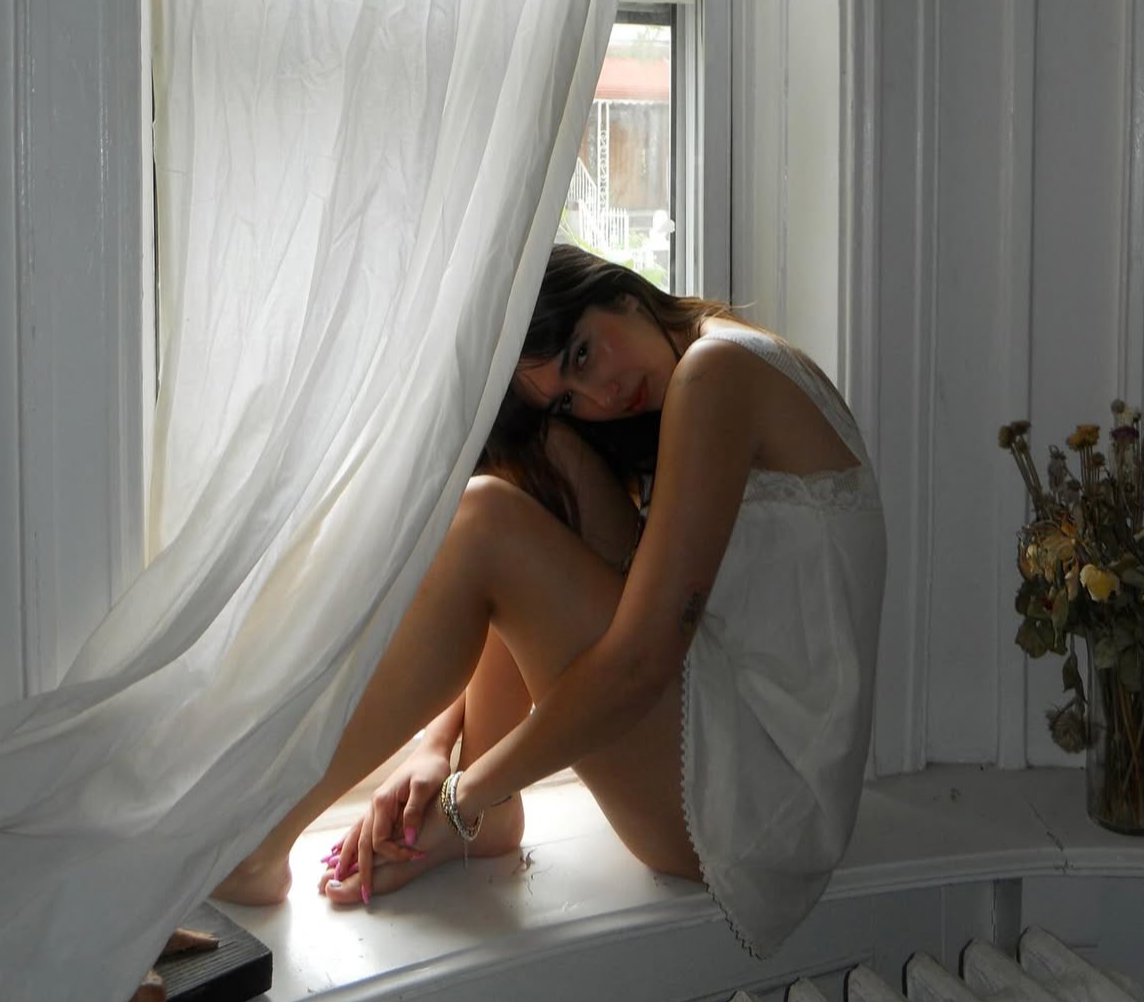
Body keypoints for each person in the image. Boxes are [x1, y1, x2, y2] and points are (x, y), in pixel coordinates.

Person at [215, 244, 886, 955]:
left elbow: (640, 664)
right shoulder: (708, 367)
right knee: (536, 461)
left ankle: (262, 840)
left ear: (621, 293)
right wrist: (438, 748)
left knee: (485, 524)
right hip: (736, 736)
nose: (597, 398)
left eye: (582, 355)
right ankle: (477, 793)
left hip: (762, 804)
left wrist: (464, 797)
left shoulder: (717, 373)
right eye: (571, 389)